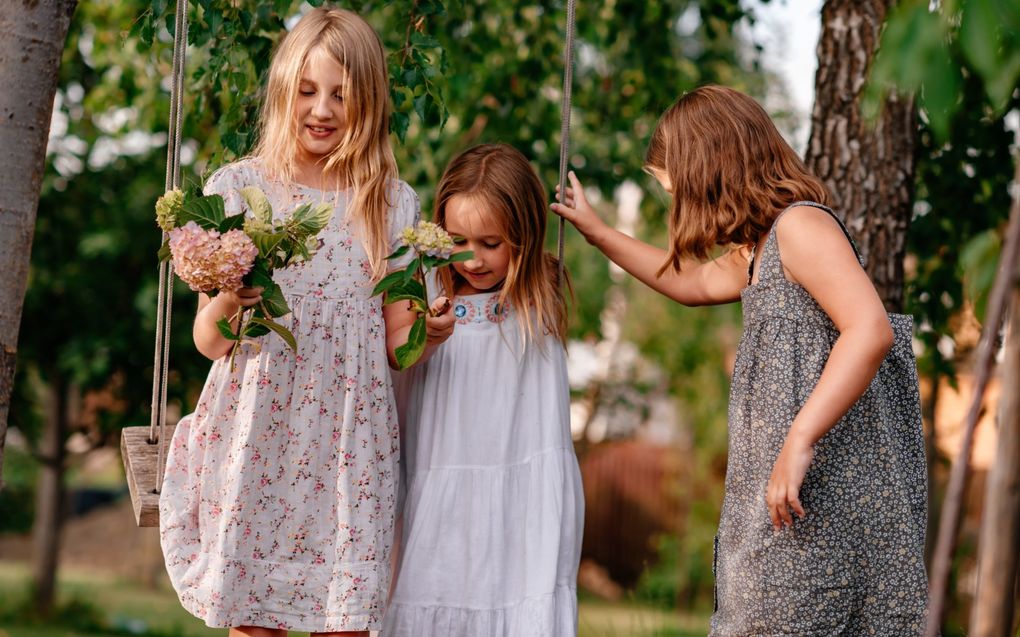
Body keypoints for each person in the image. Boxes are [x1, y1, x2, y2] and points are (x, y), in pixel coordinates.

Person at [552, 85, 928, 635]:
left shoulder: (802, 227)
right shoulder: (757, 250)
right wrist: (601, 234)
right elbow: (690, 282)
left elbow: (868, 330)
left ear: (709, 171)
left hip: (831, 489)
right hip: (792, 496)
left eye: (674, 187)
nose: (675, 202)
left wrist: (798, 439)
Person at [159, 7, 454, 636]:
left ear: (368, 101)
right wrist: (225, 306)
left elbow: (400, 342)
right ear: (284, 93)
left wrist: (430, 332)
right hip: (260, 434)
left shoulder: (388, 203)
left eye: (341, 96)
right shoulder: (240, 191)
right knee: (256, 618)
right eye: (308, 91)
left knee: (343, 620)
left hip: (349, 447)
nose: (322, 110)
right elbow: (208, 343)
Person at [381, 144, 584, 636]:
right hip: (440, 489)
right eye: (458, 240)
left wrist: (593, 228)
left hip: (520, 501)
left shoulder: (538, 296)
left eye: (492, 242)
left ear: (524, 236)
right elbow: (395, 356)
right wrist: (426, 334)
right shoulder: (427, 294)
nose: (473, 258)